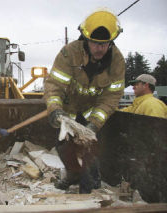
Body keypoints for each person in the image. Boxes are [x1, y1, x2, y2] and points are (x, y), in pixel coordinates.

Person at [44, 9, 125, 194]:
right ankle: (73, 175)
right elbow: (54, 86)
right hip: (68, 112)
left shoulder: (117, 61)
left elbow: (111, 97)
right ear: (85, 39)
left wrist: (93, 125)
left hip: (92, 113)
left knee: (90, 150)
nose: (100, 48)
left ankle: (91, 186)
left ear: (111, 42)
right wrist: (55, 111)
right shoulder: (69, 54)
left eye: (105, 44)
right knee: (63, 146)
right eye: (95, 43)